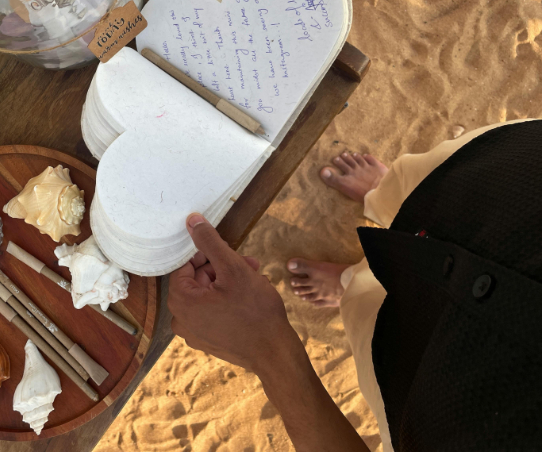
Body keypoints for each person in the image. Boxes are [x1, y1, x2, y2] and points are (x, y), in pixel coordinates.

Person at [168, 120, 541, 451]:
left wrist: (268, 350)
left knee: (372, 314)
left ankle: (352, 281)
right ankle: (387, 198)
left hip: (431, 378)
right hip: (516, 177)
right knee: (427, 181)